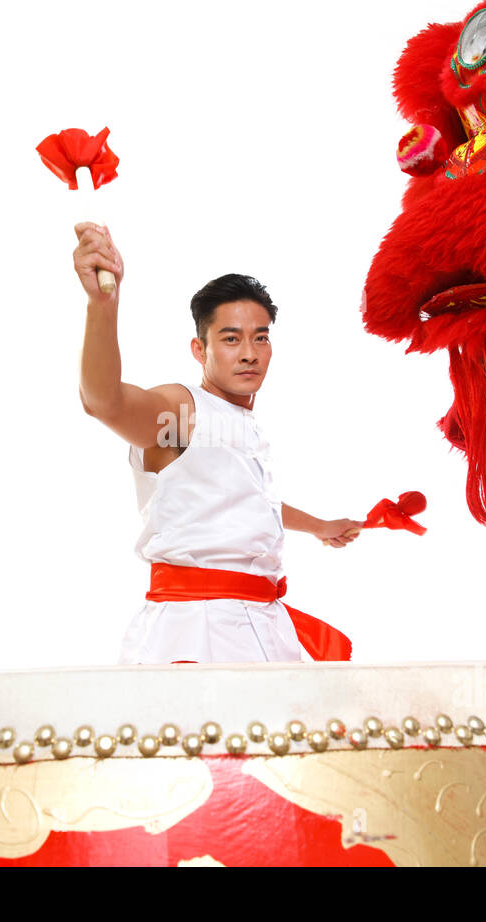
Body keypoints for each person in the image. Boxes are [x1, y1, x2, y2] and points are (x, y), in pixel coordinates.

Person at [74, 222, 363, 664]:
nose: (249, 352)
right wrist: (102, 305)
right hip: (195, 629)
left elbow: (242, 498)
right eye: (231, 339)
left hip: (263, 621)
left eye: (260, 337)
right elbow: (105, 401)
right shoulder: (182, 412)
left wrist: (319, 526)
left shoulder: (239, 422)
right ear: (199, 348)